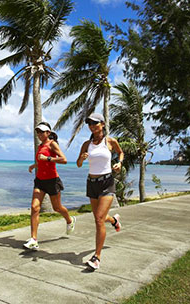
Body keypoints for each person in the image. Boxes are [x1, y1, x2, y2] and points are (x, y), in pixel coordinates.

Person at [76, 113, 124, 270]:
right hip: (91, 183)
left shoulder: (110, 141)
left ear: (102, 124)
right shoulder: (86, 144)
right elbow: (78, 163)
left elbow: (121, 152)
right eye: (89, 123)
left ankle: (97, 257)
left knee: (98, 220)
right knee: (100, 217)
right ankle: (114, 221)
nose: (92, 126)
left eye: (95, 123)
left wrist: (119, 163)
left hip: (107, 183)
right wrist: (82, 158)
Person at [23, 122, 76, 250]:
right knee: (34, 207)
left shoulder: (52, 144)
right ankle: (33, 239)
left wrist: (47, 159)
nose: (40, 134)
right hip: (40, 181)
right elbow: (41, 161)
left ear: (48, 133)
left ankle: (70, 220)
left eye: (42, 132)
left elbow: (64, 160)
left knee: (57, 208)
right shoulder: (40, 146)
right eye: (38, 132)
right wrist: (34, 165)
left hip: (52, 181)